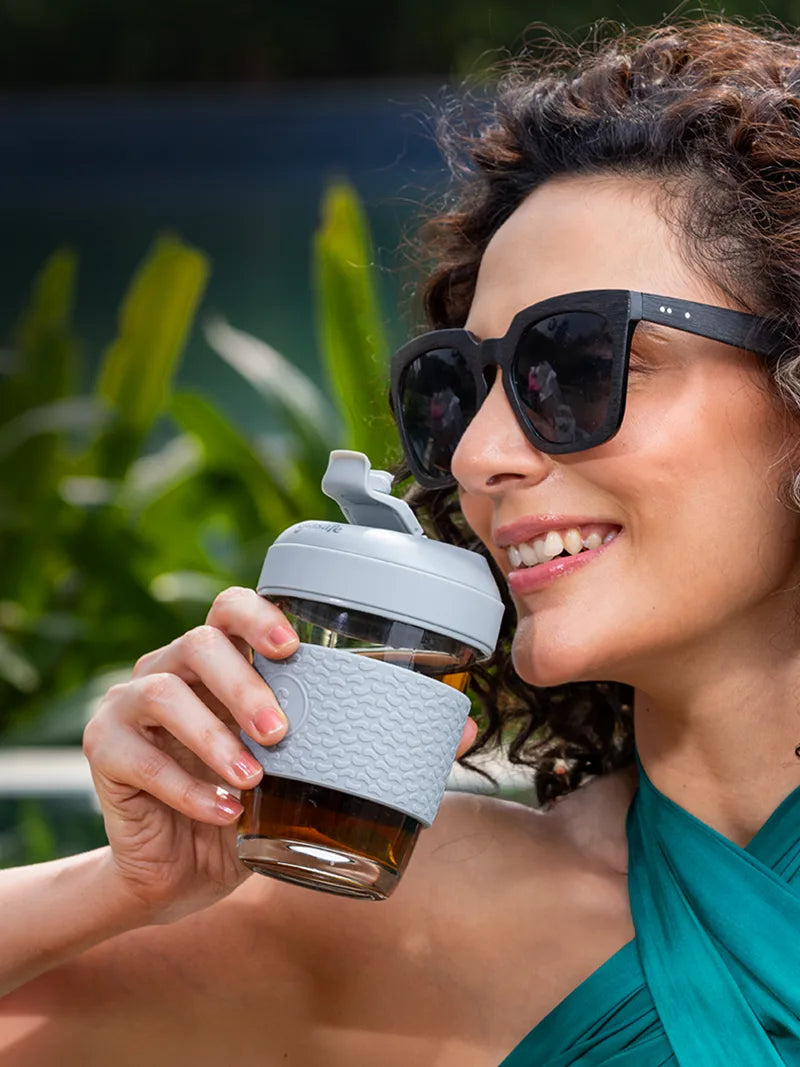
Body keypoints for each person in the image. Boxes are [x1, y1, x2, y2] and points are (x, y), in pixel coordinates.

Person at [3, 17, 800, 1064]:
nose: (477, 454)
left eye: (575, 362)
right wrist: (116, 885)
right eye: (453, 390)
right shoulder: (413, 913)